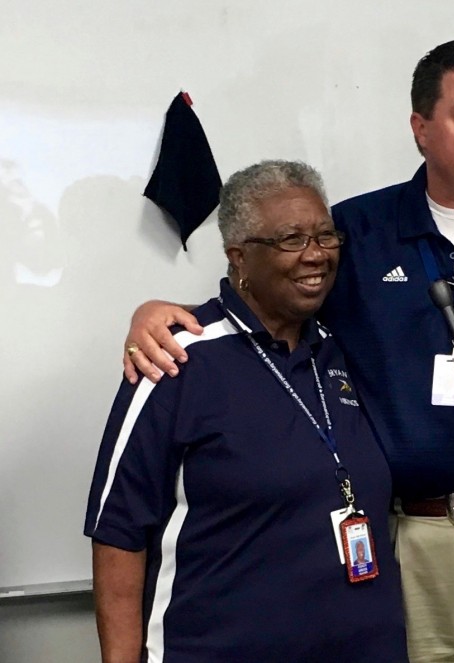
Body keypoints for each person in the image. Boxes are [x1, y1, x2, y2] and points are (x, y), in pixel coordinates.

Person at [123, 38, 454, 663]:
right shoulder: (359, 232)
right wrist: (166, 316)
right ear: (421, 129)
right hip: (407, 539)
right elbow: (269, 307)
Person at [86, 160, 407, 662]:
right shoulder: (177, 361)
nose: (316, 255)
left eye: (325, 235)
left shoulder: (340, 351)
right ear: (238, 257)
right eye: (291, 240)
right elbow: (118, 532)